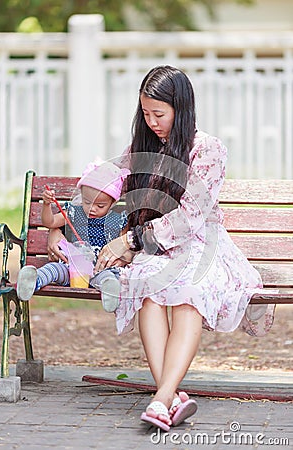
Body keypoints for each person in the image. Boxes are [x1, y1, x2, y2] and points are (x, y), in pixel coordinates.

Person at [48, 66, 275, 431]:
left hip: (200, 247)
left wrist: (131, 240)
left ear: (180, 109)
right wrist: (58, 229)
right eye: (146, 113)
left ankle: (162, 397)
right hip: (154, 251)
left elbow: (191, 217)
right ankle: (168, 398)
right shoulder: (140, 149)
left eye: (160, 114)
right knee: (149, 294)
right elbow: (96, 192)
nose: (152, 122)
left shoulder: (207, 149)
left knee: (188, 293)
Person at [16, 161, 130, 313]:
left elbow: (125, 249)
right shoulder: (74, 213)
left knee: (108, 277)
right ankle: (32, 280)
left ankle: (110, 291)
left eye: (100, 206)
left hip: (100, 269)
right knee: (53, 269)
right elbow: (50, 222)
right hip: (72, 268)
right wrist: (46, 205)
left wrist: (121, 258)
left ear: (113, 202)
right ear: (81, 196)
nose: (92, 209)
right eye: (87, 202)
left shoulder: (118, 220)